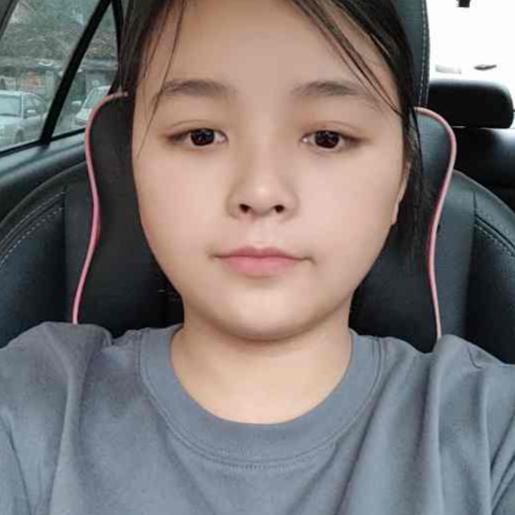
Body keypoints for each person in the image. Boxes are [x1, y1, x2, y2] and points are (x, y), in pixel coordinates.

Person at [1, 0, 514, 514]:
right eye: (201, 136)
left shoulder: (491, 432)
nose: (261, 191)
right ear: (131, 163)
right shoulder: (32, 402)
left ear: (402, 176)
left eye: (328, 138)